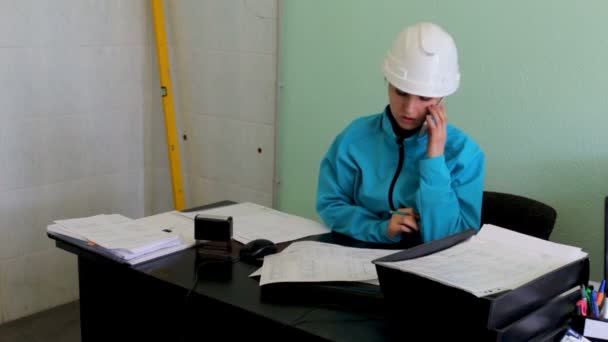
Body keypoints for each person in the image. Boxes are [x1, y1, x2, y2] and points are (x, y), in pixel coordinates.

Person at [316, 22, 485, 245]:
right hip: (356, 258)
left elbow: (452, 238)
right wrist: (380, 228)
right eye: (401, 93)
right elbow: (330, 204)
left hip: (427, 268)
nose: (409, 109)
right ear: (389, 82)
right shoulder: (354, 138)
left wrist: (434, 160)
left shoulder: (465, 154)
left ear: (441, 98)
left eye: (424, 98)